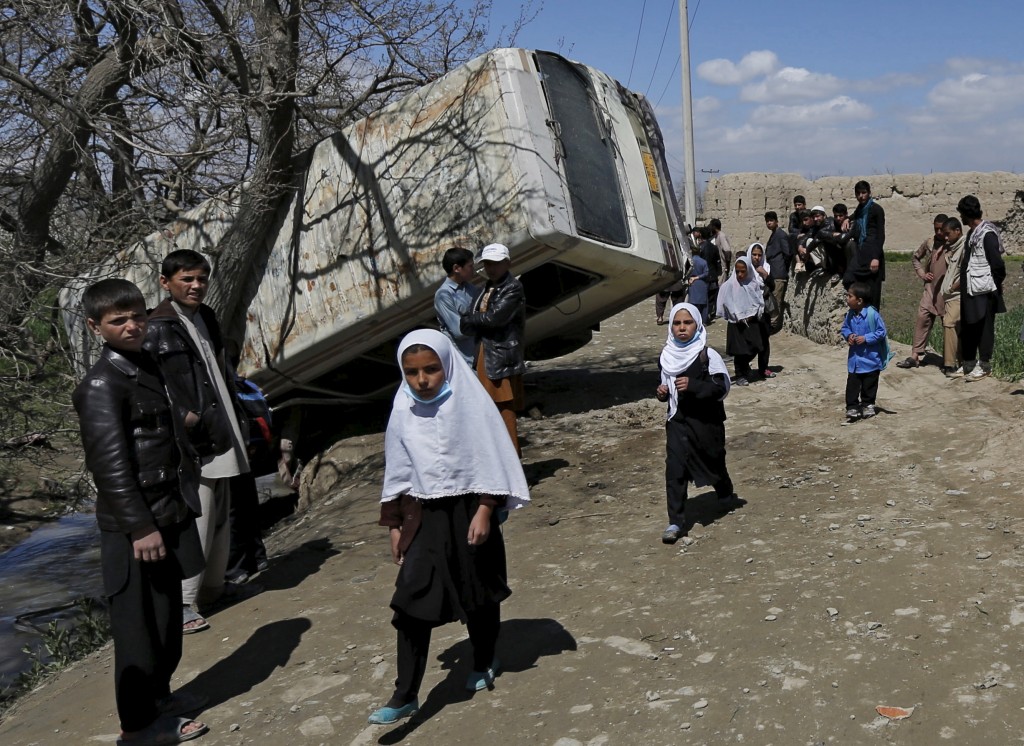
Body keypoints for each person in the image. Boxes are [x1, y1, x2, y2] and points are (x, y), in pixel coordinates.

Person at [368, 329, 530, 725]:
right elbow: (399, 467)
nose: (421, 380)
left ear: (446, 366)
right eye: (411, 372)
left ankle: (483, 655)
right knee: (409, 601)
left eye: (431, 370)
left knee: (477, 590)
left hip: (470, 510)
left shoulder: (469, 403)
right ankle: (405, 693)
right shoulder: (403, 407)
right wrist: (394, 524)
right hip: (424, 517)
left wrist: (486, 510)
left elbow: (490, 455)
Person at [73, 279, 209, 745]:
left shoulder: (144, 364)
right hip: (136, 524)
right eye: (118, 320)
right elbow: (109, 467)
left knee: (167, 615)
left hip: (166, 509)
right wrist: (139, 527)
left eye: (137, 315)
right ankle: (137, 726)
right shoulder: (99, 385)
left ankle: (160, 696)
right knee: (137, 626)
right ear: (96, 327)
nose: (132, 326)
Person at [145, 249, 251, 634]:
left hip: (220, 425)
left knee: (220, 509)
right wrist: (185, 419)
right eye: (186, 279)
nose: (196, 286)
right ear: (165, 282)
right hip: (194, 438)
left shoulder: (204, 316)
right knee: (199, 515)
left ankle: (213, 588)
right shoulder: (157, 327)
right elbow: (153, 387)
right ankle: (185, 602)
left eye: (201, 279)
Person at [655, 302, 736, 544]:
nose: (682, 328)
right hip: (678, 422)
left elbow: (721, 388)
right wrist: (661, 393)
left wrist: (695, 386)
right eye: (677, 323)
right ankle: (676, 521)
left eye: (687, 323)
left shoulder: (706, 355)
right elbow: (665, 385)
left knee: (713, 458)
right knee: (675, 469)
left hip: (706, 422)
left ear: (697, 325)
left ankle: (724, 490)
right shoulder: (667, 356)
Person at [460, 243, 527, 455]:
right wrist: (477, 320)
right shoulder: (486, 288)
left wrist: (474, 319)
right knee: (489, 410)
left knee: (504, 409)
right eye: (488, 264)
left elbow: (495, 318)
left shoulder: (513, 288)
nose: (491, 268)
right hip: (485, 353)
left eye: (496, 263)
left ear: (507, 263)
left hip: (500, 356)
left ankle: (512, 464)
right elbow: (466, 324)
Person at [956, 195, 1006, 381]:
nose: (960, 217)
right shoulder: (972, 233)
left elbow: (998, 265)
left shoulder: (987, 234)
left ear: (966, 215)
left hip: (985, 289)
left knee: (984, 328)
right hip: (971, 288)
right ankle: (968, 362)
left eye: (961, 214)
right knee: (970, 325)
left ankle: (984, 365)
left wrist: (996, 283)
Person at [897, 215, 948, 369]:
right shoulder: (930, 242)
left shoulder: (952, 243)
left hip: (946, 291)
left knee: (948, 324)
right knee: (922, 318)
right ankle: (915, 355)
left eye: (941, 229)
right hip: (930, 289)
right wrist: (923, 274)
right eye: (936, 228)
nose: (938, 232)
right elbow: (915, 258)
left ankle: (950, 359)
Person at [841, 281, 888, 421]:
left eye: (850, 296)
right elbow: (845, 328)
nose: (847, 299)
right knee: (852, 385)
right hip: (855, 360)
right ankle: (852, 407)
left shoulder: (872, 314)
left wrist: (866, 338)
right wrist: (849, 335)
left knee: (869, 384)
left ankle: (868, 404)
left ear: (859, 301)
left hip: (871, 359)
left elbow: (881, 332)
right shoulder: (850, 314)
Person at [716, 256, 764, 387]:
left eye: (743, 271)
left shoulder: (753, 284)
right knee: (739, 351)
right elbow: (728, 303)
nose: (740, 274)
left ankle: (745, 367)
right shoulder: (730, 285)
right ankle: (740, 375)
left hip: (752, 321)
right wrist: (739, 316)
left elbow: (758, 301)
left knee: (755, 346)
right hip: (736, 323)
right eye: (737, 271)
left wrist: (751, 314)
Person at [434, 247, 481, 365]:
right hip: (466, 362)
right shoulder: (443, 295)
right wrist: (485, 322)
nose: (473, 270)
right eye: (470, 266)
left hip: (482, 356)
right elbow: (460, 331)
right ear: (456, 268)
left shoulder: (470, 288)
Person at [843, 181, 885, 309]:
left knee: (873, 292)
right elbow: (855, 214)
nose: (861, 196)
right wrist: (847, 219)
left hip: (873, 252)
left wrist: (876, 257)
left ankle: (873, 324)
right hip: (862, 251)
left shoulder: (876, 209)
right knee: (849, 278)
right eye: (858, 193)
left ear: (869, 193)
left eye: (864, 193)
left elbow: (881, 235)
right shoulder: (860, 209)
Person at [939, 217, 965, 376]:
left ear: (957, 231)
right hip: (950, 296)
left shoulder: (965, 246)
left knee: (949, 323)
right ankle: (963, 362)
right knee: (958, 329)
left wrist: (953, 287)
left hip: (957, 295)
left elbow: (966, 270)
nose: (946, 238)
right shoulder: (953, 247)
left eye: (948, 234)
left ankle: (950, 365)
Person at [747, 242, 777, 380]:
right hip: (748, 310)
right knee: (750, 340)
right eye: (754, 254)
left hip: (763, 309)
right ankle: (743, 368)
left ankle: (763, 368)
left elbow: (772, 286)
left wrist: (765, 275)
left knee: (764, 339)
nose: (757, 258)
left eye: (759, 255)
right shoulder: (744, 268)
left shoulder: (766, 268)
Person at [762, 211, 791, 331]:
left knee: (776, 301)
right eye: (767, 221)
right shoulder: (774, 234)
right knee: (771, 299)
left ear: (776, 221)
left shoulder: (781, 235)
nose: (769, 223)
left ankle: (774, 326)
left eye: (771, 221)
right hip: (773, 273)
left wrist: (783, 267)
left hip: (778, 273)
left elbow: (787, 253)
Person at [697, 227, 723, 321]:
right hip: (712, 275)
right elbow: (717, 261)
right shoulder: (714, 247)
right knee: (712, 296)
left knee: (704, 296)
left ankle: (704, 315)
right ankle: (709, 313)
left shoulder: (700, 248)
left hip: (703, 275)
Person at [685, 250, 710, 323]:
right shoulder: (703, 262)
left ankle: (693, 319)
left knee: (693, 303)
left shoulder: (689, 262)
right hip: (702, 283)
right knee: (704, 304)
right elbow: (706, 273)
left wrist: (690, 278)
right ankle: (703, 321)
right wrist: (698, 277)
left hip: (692, 283)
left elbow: (686, 271)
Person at [709, 218, 733, 285]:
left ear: (714, 226)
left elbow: (727, 251)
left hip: (723, 268)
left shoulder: (721, 236)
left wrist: (727, 268)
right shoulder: (717, 236)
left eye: (711, 226)